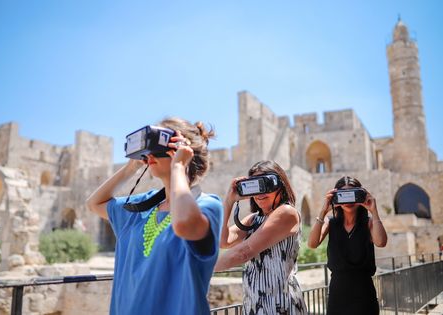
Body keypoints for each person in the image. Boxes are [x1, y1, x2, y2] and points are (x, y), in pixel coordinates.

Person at [86, 117, 223, 315]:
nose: (151, 154)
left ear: (182, 150)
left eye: (159, 144)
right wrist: (131, 167)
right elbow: (94, 204)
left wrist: (178, 167)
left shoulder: (208, 205)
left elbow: (184, 223)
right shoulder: (143, 206)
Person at [214, 160, 307, 315]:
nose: (260, 194)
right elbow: (223, 241)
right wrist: (229, 201)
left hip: (280, 304)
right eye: (255, 187)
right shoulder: (254, 219)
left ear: (280, 185)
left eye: (266, 184)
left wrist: (203, 268)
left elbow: (245, 251)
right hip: (254, 303)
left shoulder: (287, 212)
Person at [307, 176, 388, 315]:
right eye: (342, 195)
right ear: (335, 197)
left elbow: (381, 242)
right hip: (337, 295)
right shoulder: (330, 222)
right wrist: (323, 210)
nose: (348, 200)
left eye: (353, 194)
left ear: (361, 196)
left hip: (364, 295)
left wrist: (374, 211)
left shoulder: (368, 223)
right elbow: (312, 244)